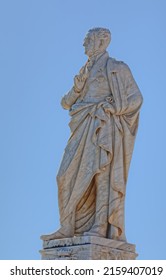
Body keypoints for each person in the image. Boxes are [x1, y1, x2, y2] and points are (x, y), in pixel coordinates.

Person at [41, 27, 143, 241]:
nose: (83, 44)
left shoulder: (116, 68)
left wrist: (114, 109)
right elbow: (65, 103)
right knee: (64, 176)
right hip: (82, 125)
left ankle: (99, 226)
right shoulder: (84, 70)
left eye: (88, 40)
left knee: (101, 174)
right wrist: (77, 90)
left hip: (103, 124)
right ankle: (67, 225)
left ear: (101, 42)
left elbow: (136, 98)